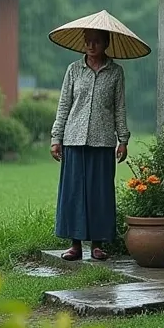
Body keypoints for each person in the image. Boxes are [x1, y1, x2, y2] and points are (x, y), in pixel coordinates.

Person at [50, 28, 129, 260]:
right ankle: (75, 245)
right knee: (74, 193)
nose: (91, 46)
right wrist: (57, 138)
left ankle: (97, 245)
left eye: (96, 42)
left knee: (100, 194)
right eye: (88, 41)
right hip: (74, 140)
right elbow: (64, 105)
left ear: (106, 43)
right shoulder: (73, 70)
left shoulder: (115, 72)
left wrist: (123, 139)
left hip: (103, 142)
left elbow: (120, 107)